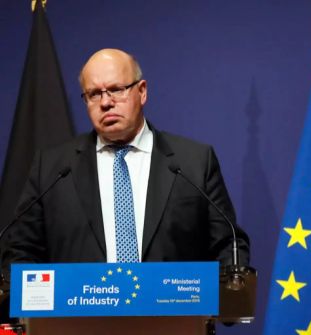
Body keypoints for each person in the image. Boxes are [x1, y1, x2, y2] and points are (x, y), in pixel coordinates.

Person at [2, 48, 249, 266]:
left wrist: (226, 298)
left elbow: (228, 245)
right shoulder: (53, 168)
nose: (106, 102)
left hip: (171, 316)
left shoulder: (193, 162)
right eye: (94, 94)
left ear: (141, 92)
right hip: (81, 317)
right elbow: (21, 250)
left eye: (116, 90)